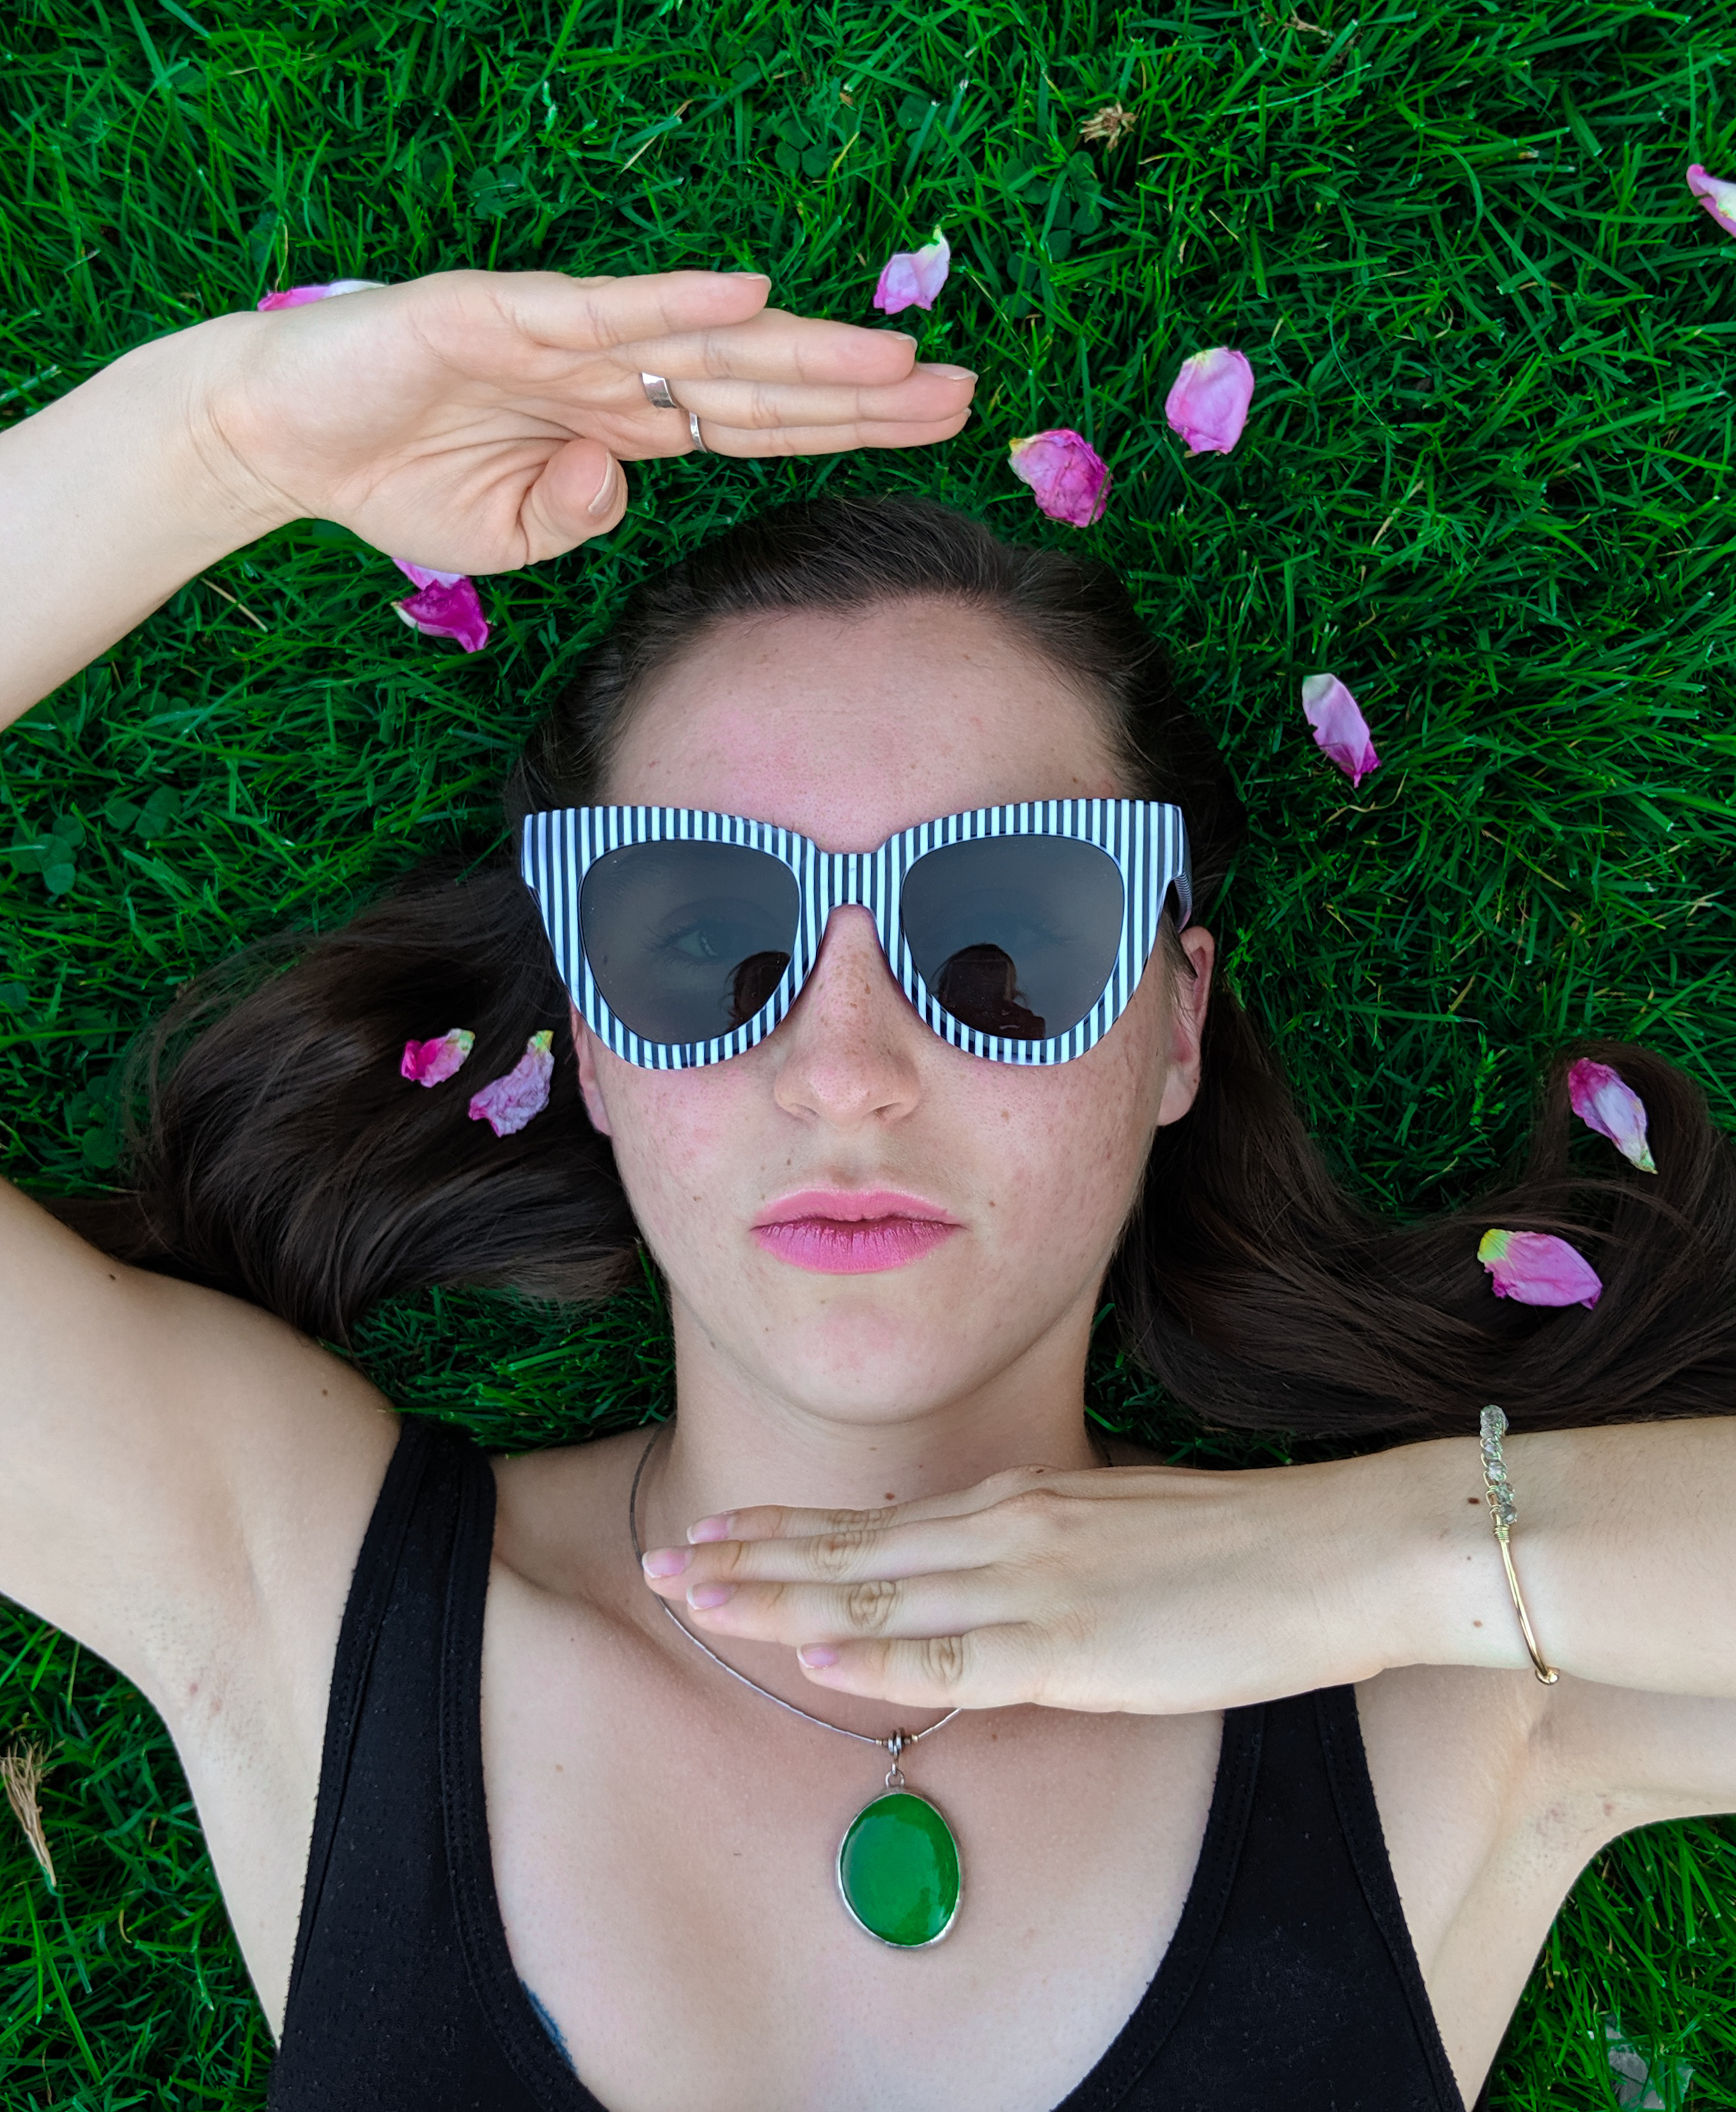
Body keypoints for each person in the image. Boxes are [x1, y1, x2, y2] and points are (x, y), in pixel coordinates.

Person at [1, 266, 1734, 2112]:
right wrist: (221, 435)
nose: (846, 1068)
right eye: (701, 940)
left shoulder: (1438, 1696)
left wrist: (1363, 1564)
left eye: (1002, 934)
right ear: (588, 1038)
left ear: (1174, 1027)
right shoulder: (322, 1607)